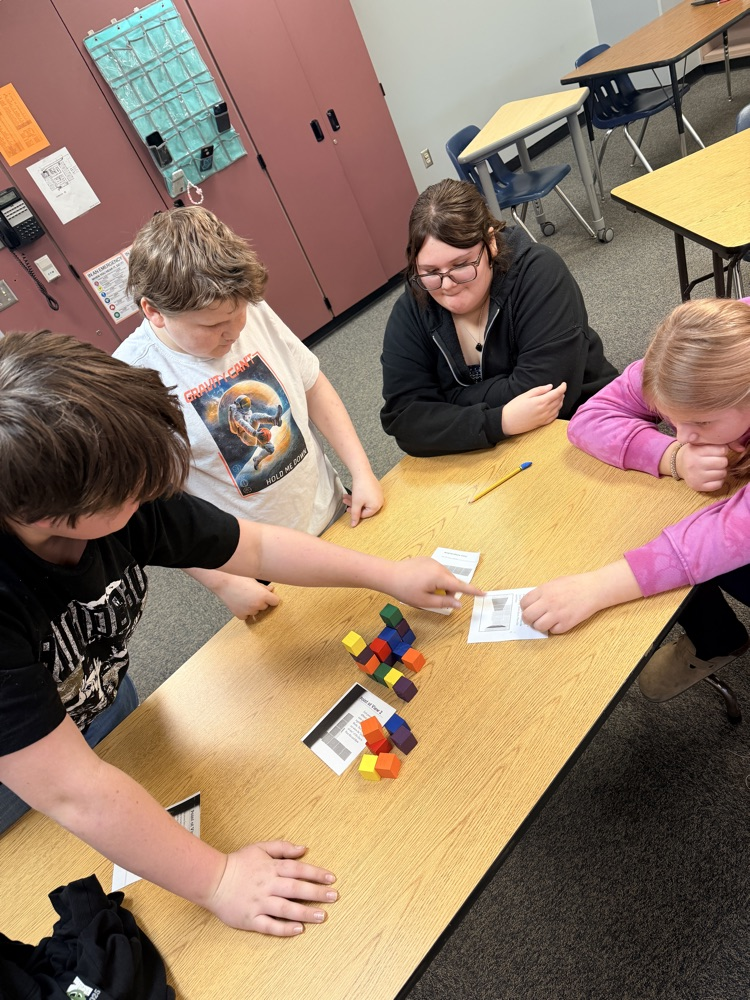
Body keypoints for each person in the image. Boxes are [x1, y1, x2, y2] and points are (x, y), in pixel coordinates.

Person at [0, 330, 481, 935]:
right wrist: (218, 880)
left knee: (137, 785)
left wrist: (386, 575)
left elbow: (253, 546)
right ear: (46, 514)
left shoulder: (115, 493)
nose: (151, 494)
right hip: (16, 777)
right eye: (130, 492)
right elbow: (72, 792)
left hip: (94, 700)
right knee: (54, 885)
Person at [115, 206, 383, 618]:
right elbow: (154, 510)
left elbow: (311, 383)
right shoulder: (132, 380)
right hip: (260, 565)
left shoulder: (244, 306)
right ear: (153, 311)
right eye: (212, 326)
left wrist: (361, 472)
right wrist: (222, 582)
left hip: (332, 511)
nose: (235, 330)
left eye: (239, 312)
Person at [520, 297, 750, 702]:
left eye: (700, 422)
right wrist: (672, 457)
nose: (683, 435)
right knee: (652, 520)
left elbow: (729, 535)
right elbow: (590, 418)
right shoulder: (701, 356)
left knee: (684, 545)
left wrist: (597, 588)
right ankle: (716, 638)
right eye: (672, 419)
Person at [380, 179, 617, 457]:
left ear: (490, 243)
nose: (447, 285)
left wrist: (448, 398)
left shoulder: (539, 273)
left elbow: (549, 395)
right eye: (430, 271)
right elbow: (405, 419)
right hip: (483, 451)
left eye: (461, 265)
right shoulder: (413, 305)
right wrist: (499, 420)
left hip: (581, 426)